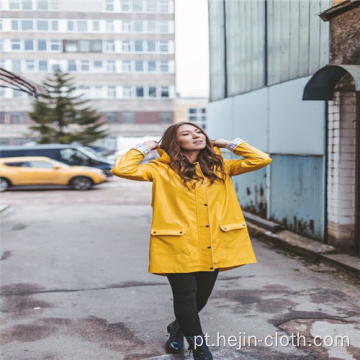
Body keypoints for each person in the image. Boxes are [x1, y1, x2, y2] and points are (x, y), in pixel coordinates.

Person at [111, 122, 272, 360]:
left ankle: (176, 328)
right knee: (186, 296)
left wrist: (229, 144)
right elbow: (122, 169)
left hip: (213, 242)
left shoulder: (220, 167)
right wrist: (144, 147)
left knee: (200, 298)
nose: (196, 136)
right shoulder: (159, 169)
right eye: (186, 134)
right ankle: (199, 348)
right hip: (177, 244)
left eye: (198, 132)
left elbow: (261, 159)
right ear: (176, 143)